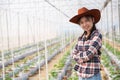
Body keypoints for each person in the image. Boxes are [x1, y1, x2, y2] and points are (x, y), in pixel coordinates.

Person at [69, 7, 102, 80]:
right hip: (81, 75)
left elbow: (89, 54)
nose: (84, 24)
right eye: (81, 22)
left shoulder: (97, 35)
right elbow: (73, 53)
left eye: (87, 20)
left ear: (92, 20)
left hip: (93, 76)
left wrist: (78, 57)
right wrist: (80, 57)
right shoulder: (81, 38)